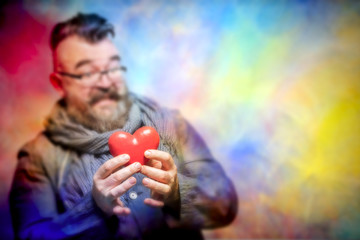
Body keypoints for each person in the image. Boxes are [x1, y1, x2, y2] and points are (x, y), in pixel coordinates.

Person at [9, 13, 237, 240]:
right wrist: (92, 209)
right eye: (87, 72)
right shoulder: (37, 157)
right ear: (59, 83)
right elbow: (31, 236)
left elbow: (226, 206)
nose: (107, 83)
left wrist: (177, 192)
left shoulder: (170, 123)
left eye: (113, 67)